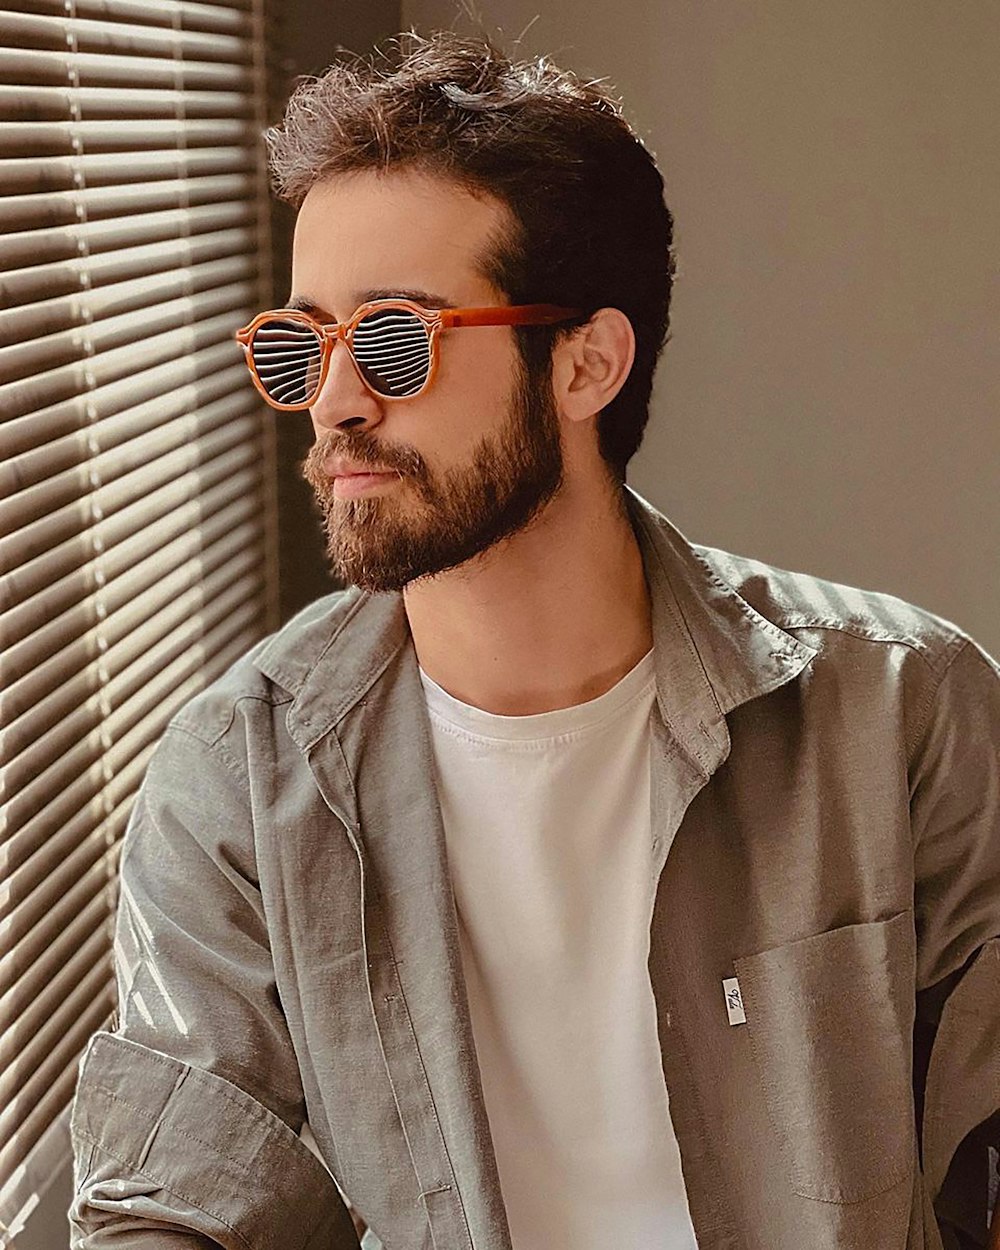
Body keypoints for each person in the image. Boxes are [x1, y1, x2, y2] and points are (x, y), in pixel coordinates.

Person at [69, 28, 999, 1250]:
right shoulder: (237, 780)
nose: (336, 401)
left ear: (586, 363)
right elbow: (171, 1207)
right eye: (302, 347)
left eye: (395, 339)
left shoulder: (905, 711)